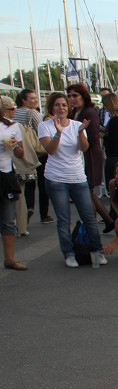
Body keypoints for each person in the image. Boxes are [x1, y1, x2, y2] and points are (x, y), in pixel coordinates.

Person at [38, 91, 105, 268]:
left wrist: (81, 132)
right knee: (63, 219)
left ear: (68, 108)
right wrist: (58, 133)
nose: (61, 108)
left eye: (64, 105)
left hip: (77, 177)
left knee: (88, 216)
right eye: (57, 105)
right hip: (56, 178)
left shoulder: (76, 125)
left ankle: (98, 250)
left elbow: (84, 148)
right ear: (51, 107)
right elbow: (50, 150)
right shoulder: (45, 126)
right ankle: (69, 253)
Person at [67, 83, 114, 232]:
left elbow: (93, 139)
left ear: (83, 96)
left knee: (86, 190)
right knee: (88, 191)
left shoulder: (89, 112)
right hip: (78, 156)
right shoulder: (74, 112)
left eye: (75, 95)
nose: (72, 99)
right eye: (70, 96)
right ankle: (106, 220)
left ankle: (90, 226)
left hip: (90, 155)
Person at [13, 88, 51, 226]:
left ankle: (28, 207)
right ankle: (44, 214)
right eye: (32, 98)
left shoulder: (14, 113)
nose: (35, 100)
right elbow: (42, 129)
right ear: (24, 100)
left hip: (21, 151)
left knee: (28, 182)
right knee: (42, 183)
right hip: (37, 151)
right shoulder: (33, 113)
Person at [1, 96, 27, 270]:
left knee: (8, 218)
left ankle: (9, 258)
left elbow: (20, 154)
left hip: (6, 173)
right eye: (11, 109)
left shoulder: (13, 126)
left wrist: (16, 146)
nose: (14, 111)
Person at [100, 93, 118, 197]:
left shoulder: (115, 120)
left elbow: (114, 140)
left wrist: (103, 135)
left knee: (113, 186)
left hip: (114, 156)